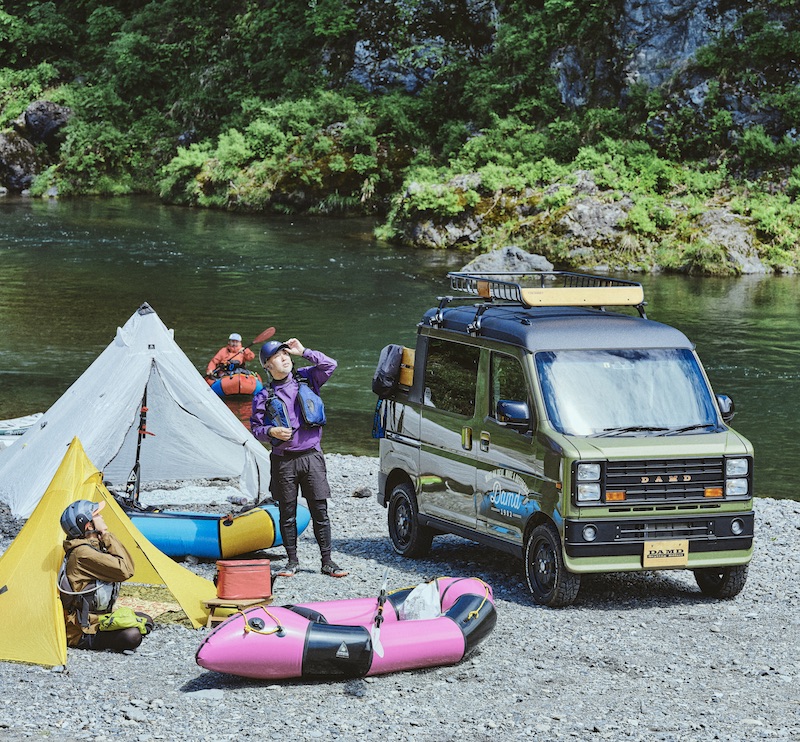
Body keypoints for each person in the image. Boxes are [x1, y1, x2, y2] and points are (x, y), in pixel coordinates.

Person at [250, 337, 348, 578]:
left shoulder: (308, 378)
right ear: (268, 366)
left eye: (286, 354)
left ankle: (327, 561)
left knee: (320, 510)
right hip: (283, 460)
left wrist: (303, 351)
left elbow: (330, 365)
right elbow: (255, 429)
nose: (284, 358)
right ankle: (292, 561)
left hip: (312, 455)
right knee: (287, 511)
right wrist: (271, 431)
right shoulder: (263, 395)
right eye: (278, 356)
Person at [59, 500, 153, 652]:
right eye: (97, 515)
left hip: (101, 619)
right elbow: (126, 569)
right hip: (84, 629)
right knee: (133, 636)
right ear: (89, 525)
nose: (101, 516)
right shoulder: (83, 554)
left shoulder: (91, 547)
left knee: (146, 619)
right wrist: (106, 534)